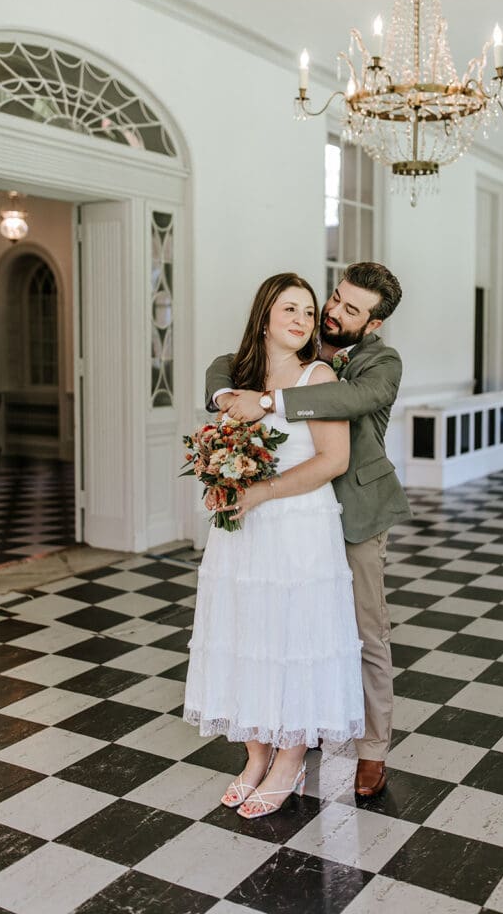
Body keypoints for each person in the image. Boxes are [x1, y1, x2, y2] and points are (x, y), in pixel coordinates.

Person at [207, 261, 410, 797]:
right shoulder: (305, 338)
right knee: (288, 625)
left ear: (373, 324)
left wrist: (266, 402)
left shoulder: (381, 362)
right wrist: (225, 397)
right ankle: (297, 726)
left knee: (363, 632)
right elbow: (228, 363)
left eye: (350, 309)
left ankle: (372, 750)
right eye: (336, 298)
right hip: (291, 517)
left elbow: (349, 399)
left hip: (355, 510)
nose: (333, 311)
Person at [184, 272, 364, 819]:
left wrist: (263, 491)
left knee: (292, 638)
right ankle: (256, 755)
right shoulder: (238, 378)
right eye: (290, 309)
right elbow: (225, 434)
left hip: (298, 525)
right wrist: (220, 478)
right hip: (244, 532)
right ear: (264, 316)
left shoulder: (319, 375)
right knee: (246, 634)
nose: (302, 320)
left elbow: (333, 460)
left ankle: (289, 761)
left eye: (309, 312)